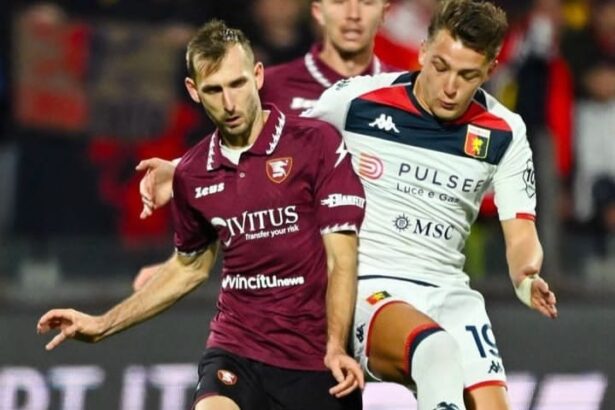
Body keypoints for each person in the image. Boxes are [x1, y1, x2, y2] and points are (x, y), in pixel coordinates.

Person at [137, 2, 560, 409]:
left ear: (490, 70)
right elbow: (270, 136)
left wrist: (526, 278)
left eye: (467, 75)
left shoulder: (505, 133)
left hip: (449, 291)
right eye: (441, 66)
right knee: (436, 352)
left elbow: (521, 232)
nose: (450, 87)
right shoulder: (358, 100)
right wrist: (181, 169)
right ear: (423, 51)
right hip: (369, 285)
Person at [37, 20, 367, 410]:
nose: (229, 103)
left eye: (237, 84)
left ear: (258, 76)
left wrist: (336, 346)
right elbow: (189, 268)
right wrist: (101, 324)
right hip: (236, 349)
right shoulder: (192, 174)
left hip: (314, 361)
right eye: (214, 89)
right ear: (194, 91)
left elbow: (341, 258)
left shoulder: (315, 143)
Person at [134, 0, 397, 286]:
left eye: (367, 2)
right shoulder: (270, 85)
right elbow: (233, 167)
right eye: (339, 2)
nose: (353, 15)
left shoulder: (406, 91)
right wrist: (180, 261)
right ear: (317, 10)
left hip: (386, 269)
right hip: (292, 279)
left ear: (385, 10)